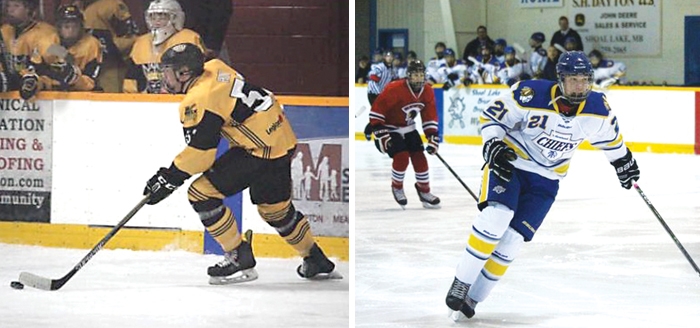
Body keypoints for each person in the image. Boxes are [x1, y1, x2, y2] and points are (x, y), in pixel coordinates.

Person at [444, 51, 640, 319]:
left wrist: (623, 162)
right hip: (511, 163)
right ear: (560, 79)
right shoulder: (530, 94)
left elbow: (612, 141)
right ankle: (461, 281)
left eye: (585, 80)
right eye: (573, 80)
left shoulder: (597, 109)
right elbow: (492, 117)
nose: (580, 86)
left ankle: (473, 298)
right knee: (496, 217)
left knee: (513, 239)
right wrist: (493, 143)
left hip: (547, 180)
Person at [142, 43, 340, 284]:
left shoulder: (198, 100)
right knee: (276, 211)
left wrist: (168, 178)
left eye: (168, 71)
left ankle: (238, 255)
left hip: (259, 149)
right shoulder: (215, 67)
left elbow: (201, 155)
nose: (165, 76)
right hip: (281, 140)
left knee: (200, 193)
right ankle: (316, 259)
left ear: (185, 73)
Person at [367, 60, 441, 209]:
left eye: (421, 75)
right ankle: (397, 186)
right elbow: (377, 110)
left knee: (420, 157)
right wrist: (379, 130)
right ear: (408, 76)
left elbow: (429, 115)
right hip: (389, 128)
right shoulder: (395, 88)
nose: (418, 78)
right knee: (402, 156)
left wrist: (432, 135)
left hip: (408, 128)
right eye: (415, 75)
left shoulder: (427, 90)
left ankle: (424, 191)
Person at [123, 0, 204, 93]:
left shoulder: (189, 37)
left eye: (162, 16)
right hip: (146, 101)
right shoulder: (141, 42)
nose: (157, 21)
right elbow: (131, 77)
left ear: (175, 18)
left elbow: (200, 74)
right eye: (153, 17)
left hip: (182, 99)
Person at [72, 0, 140, 93]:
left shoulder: (111, 5)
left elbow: (131, 38)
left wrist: (109, 45)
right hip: (85, 70)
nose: (70, 29)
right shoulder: (71, 8)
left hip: (108, 70)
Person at [32, 4, 103, 92]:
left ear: (81, 27)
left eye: (75, 26)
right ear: (58, 27)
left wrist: (74, 78)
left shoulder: (91, 44)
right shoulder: (46, 42)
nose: (71, 31)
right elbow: (35, 71)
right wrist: (37, 83)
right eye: (66, 26)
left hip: (79, 95)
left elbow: (91, 81)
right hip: (49, 93)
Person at [1, 0, 60, 99]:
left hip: (40, 92)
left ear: (29, 9)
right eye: (8, 6)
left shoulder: (48, 32)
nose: (10, 10)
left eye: (16, 6)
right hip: (11, 86)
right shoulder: (4, 30)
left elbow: (63, 59)